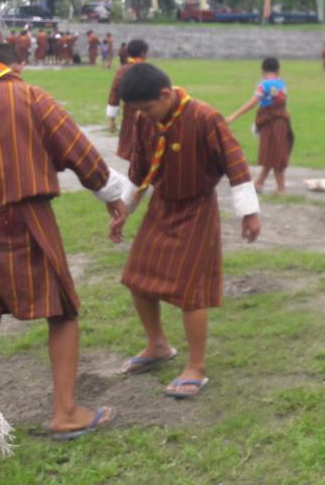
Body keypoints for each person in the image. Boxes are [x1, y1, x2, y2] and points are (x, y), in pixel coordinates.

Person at [0, 43, 130, 440]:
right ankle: (66, 413)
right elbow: (77, 149)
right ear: (15, 66)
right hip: (24, 218)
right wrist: (111, 195)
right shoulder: (30, 96)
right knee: (62, 311)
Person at [116, 63, 261, 399]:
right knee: (137, 277)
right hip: (161, 206)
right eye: (138, 110)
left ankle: (196, 366)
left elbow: (236, 164)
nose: (144, 115)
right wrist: (123, 208)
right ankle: (157, 345)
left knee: (191, 290)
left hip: (197, 209)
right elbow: (139, 167)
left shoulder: (205, 117)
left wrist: (249, 213)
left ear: (166, 94)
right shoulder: (143, 119)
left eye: (147, 107)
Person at [225, 57, 293, 195]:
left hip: (269, 124)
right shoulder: (282, 84)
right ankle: (260, 183)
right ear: (278, 70)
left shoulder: (264, 85)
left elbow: (253, 102)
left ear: (262, 70)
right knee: (273, 153)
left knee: (275, 155)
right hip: (282, 124)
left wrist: (234, 115)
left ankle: (280, 189)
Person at [108, 39, 151, 160]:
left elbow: (114, 94)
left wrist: (111, 119)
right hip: (149, 113)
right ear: (143, 53)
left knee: (130, 145)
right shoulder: (148, 70)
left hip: (129, 113)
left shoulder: (123, 70)